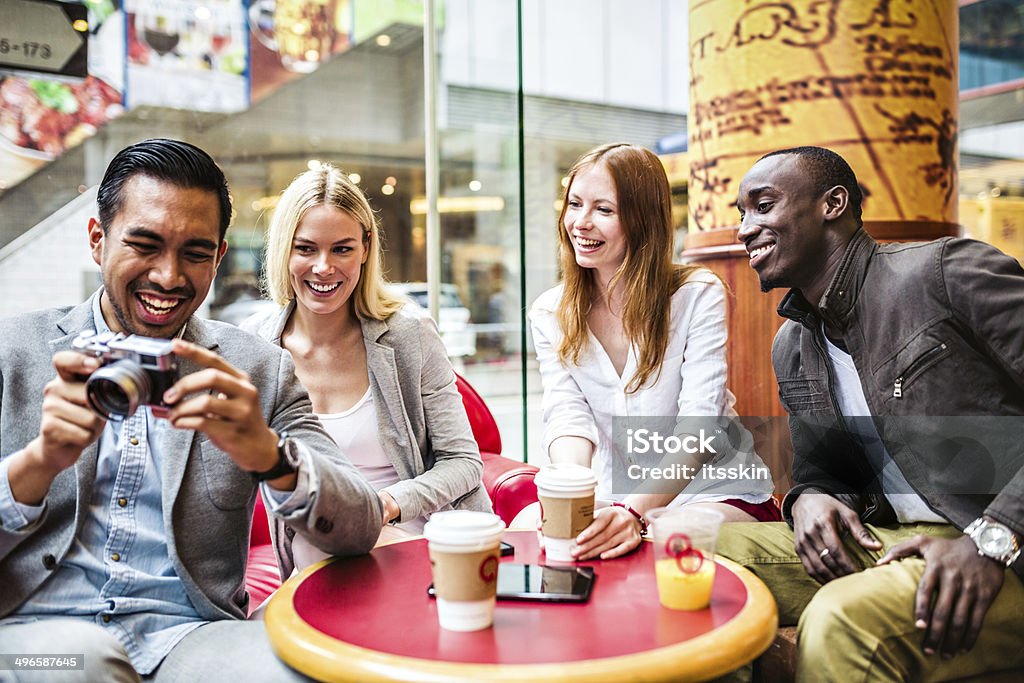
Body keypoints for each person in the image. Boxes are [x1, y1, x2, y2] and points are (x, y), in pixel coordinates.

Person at [0, 139, 383, 682]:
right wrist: (36, 465)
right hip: (32, 639)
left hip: (191, 638)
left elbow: (359, 526)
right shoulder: (12, 352)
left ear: (219, 257)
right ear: (97, 240)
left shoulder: (257, 370)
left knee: (300, 674)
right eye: (145, 244)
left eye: (196, 254)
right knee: (80, 664)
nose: (168, 277)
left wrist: (271, 457)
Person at [721, 145, 1024, 681]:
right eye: (741, 213)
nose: (745, 229)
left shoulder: (947, 272)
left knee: (842, 621)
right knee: (691, 556)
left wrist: (993, 538)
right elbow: (825, 473)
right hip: (888, 538)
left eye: (763, 206)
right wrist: (811, 498)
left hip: (1002, 543)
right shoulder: (793, 344)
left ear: (832, 204)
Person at [527, 143, 779, 561]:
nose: (580, 223)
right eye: (574, 204)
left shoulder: (697, 294)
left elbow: (700, 425)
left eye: (604, 210)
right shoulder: (549, 312)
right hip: (615, 496)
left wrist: (636, 513)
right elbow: (569, 418)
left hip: (713, 493)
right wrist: (572, 504)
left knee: (669, 541)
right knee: (533, 531)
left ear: (642, 221)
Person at [241, 164, 490, 552]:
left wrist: (383, 506)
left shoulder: (410, 333)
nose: (324, 267)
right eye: (305, 248)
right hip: (314, 541)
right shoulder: (256, 344)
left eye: (341, 248)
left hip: (415, 534)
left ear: (365, 248)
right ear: (282, 249)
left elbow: (463, 462)